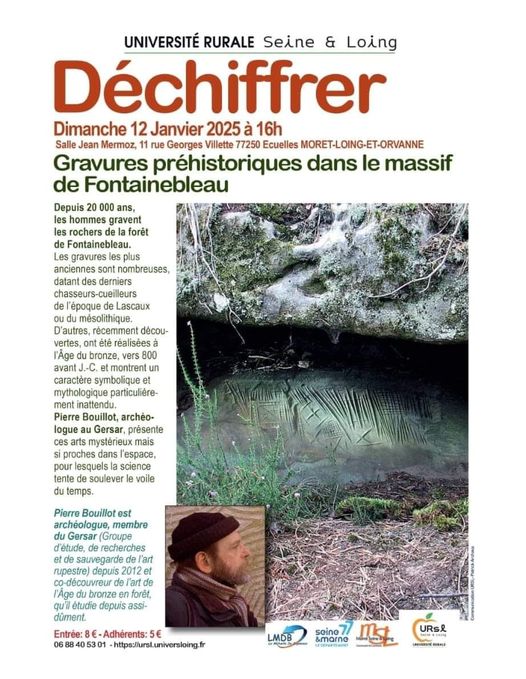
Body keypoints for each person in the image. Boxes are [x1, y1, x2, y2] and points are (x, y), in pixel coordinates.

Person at [165, 511, 259, 627]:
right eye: (235, 547)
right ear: (204, 561)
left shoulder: (232, 600)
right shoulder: (172, 609)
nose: (246, 552)